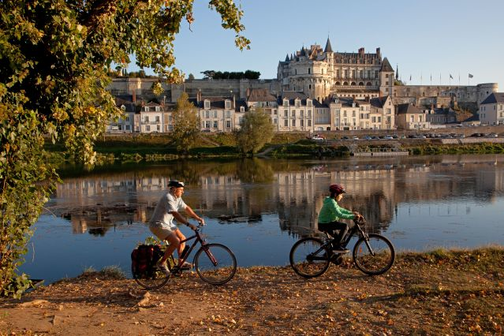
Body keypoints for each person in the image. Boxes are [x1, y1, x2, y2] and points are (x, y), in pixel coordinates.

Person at [148, 180, 205, 275]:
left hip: (168, 224)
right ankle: (161, 263)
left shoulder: (177, 197)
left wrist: (198, 218)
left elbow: (186, 208)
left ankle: (180, 263)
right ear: (174, 189)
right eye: (181, 189)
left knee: (183, 238)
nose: (183, 192)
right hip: (158, 225)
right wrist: (189, 224)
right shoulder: (168, 198)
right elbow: (175, 214)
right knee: (176, 241)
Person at [318, 184, 362, 253]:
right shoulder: (331, 202)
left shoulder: (332, 201)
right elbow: (339, 214)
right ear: (336, 194)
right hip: (325, 223)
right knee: (345, 227)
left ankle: (330, 255)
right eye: (341, 195)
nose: (342, 196)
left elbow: (340, 209)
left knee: (339, 238)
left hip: (328, 222)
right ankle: (337, 248)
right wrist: (353, 217)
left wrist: (352, 213)